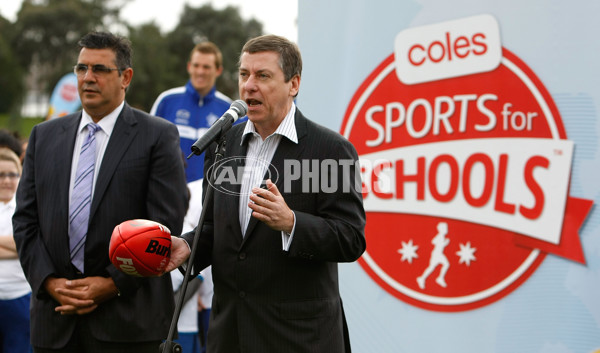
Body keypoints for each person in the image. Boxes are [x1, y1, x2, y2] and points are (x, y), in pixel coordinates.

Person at [166, 34, 367, 353]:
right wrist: (186, 246)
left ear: (294, 84)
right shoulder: (222, 144)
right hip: (229, 335)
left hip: (298, 339)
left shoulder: (330, 150)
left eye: (263, 76)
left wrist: (291, 223)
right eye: (244, 74)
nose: (249, 86)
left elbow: (350, 238)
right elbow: (214, 228)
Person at [12, 31, 188, 353]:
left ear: (126, 77)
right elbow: (25, 220)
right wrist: (50, 283)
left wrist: (110, 284)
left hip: (127, 323)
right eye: (81, 68)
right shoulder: (43, 136)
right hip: (55, 321)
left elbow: (164, 224)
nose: (87, 78)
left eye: (99, 69)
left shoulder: (157, 136)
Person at [150, 41, 233, 183]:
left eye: (206, 67)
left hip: (207, 198)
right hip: (169, 192)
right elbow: (148, 148)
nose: (200, 71)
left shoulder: (229, 109)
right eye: (196, 65)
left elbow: (233, 160)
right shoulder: (166, 100)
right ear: (189, 67)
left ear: (218, 70)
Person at [0, 147, 31, 353]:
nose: (7, 180)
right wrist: (16, 246)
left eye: (13, 174)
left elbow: (30, 244)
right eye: (1, 174)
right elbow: (22, 245)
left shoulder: (26, 208)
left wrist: (22, 246)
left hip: (20, 298)